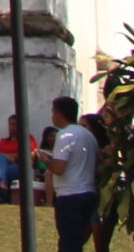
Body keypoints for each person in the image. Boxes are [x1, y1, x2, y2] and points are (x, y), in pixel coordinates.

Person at [40, 95, 100, 252]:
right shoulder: (89, 136)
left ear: (59, 113)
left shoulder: (65, 135)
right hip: (88, 193)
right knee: (77, 241)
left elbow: (59, 168)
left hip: (70, 195)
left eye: (53, 112)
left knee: (68, 243)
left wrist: (46, 160)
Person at [0, 114, 33, 201]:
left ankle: (1, 185)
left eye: (15, 124)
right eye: (10, 124)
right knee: (1, 160)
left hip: (21, 168)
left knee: (3, 171)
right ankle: (2, 184)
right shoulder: (3, 141)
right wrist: (11, 156)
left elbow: (30, 156)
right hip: (7, 168)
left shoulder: (28, 139)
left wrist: (12, 157)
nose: (12, 127)